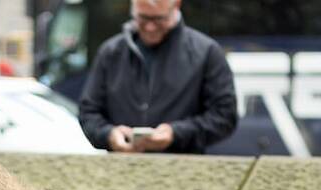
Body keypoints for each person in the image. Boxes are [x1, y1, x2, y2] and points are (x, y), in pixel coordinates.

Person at [78, 0, 237, 154]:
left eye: (159, 18)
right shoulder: (110, 53)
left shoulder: (207, 53)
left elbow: (224, 117)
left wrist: (176, 133)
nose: (150, 26)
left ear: (176, 5)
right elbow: (88, 112)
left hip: (182, 170)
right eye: (143, 17)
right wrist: (109, 134)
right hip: (121, 169)